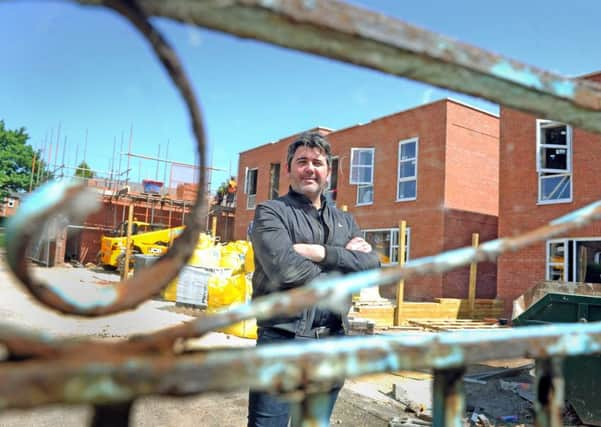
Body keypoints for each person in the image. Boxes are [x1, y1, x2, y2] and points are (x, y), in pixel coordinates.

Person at [247, 131, 380, 426]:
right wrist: (345, 261)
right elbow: (285, 269)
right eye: (302, 161)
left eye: (318, 162)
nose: (310, 168)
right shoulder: (271, 212)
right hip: (282, 340)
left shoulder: (345, 221)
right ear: (290, 169)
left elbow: (372, 267)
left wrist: (319, 252)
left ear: (328, 171)